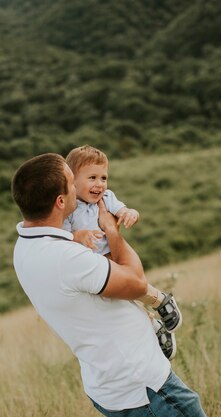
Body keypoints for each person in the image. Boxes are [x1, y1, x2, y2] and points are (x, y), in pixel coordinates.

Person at [12, 153, 207, 417]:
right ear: (60, 201)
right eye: (72, 183)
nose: (78, 189)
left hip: (108, 382)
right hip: (140, 385)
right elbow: (137, 283)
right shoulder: (68, 257)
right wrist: (111, 230)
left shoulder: (25, 246)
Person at [64, 145, 182, 360]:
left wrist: (130, 214)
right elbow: (64, 237)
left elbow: (122, 209)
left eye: (103, 178)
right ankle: (155, 327)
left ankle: (161, 301)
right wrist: (79, 236)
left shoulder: (106, 197)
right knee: (121, 302)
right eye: (92, 178)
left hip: (113, 256)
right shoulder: (69, 209)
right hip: (94, 263)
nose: (99, 184)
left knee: (130, 288)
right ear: (72, 181)